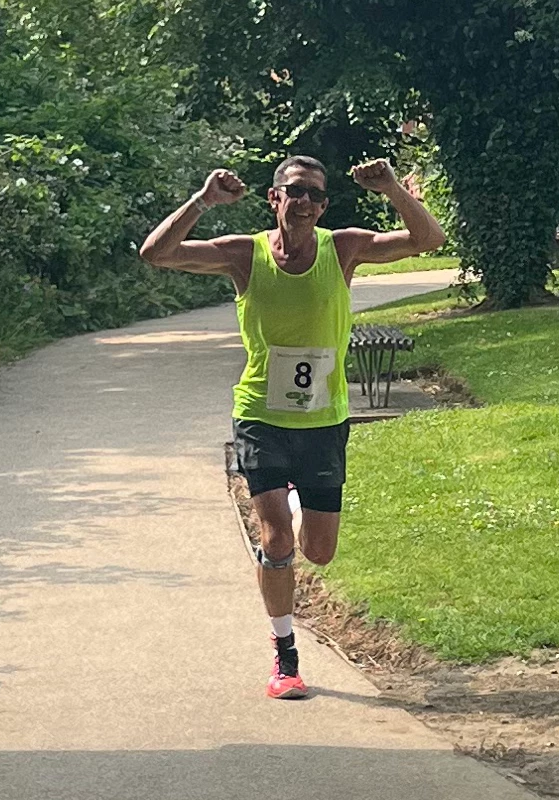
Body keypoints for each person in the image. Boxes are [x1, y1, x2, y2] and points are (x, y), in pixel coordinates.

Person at [140, 156, 445, 699]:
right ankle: (285, 658)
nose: (303, 200)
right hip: (261, 415)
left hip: (324, 421)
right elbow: (156, 253)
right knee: (277, 540)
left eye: (314, 194)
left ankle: (299, 501)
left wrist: (393, 187)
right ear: (273, 198)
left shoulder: (343, 247)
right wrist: (204, 201)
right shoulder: (244, 254)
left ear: (323, 206)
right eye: (293, 191)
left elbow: (428, 239)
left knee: (320, 552)